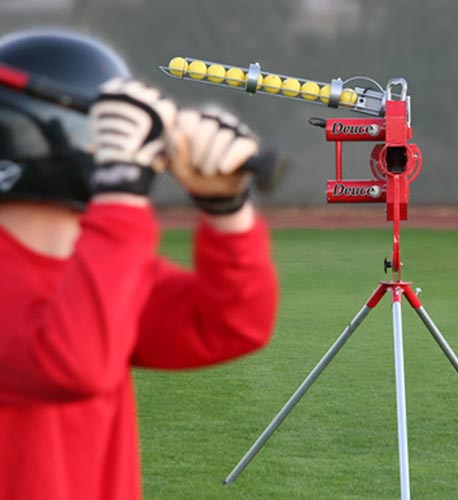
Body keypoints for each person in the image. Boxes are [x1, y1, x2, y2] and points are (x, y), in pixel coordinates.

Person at [0, 29, 278, 500]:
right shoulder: (97, 267)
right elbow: (73, 364)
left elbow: (231, 324)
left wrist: (226, 210)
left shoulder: (97, 269)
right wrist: (122, 192)